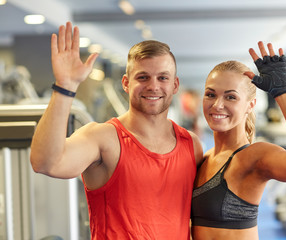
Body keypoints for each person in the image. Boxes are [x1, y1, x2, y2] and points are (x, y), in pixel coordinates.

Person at [30, 22, 203, 239]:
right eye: (143, 77)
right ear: (126, 83)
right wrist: (66, 85)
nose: (153, 86)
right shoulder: (103, 138)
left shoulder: (191, 144)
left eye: (163, 78)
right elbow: (45, 162)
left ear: (175, 85)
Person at [191, 41, 286, 240]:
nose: (217, 105)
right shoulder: (205, 157)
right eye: (211, 94)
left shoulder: (253, 156)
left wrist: (284, 94)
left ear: (250, 105)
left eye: (230, 97)